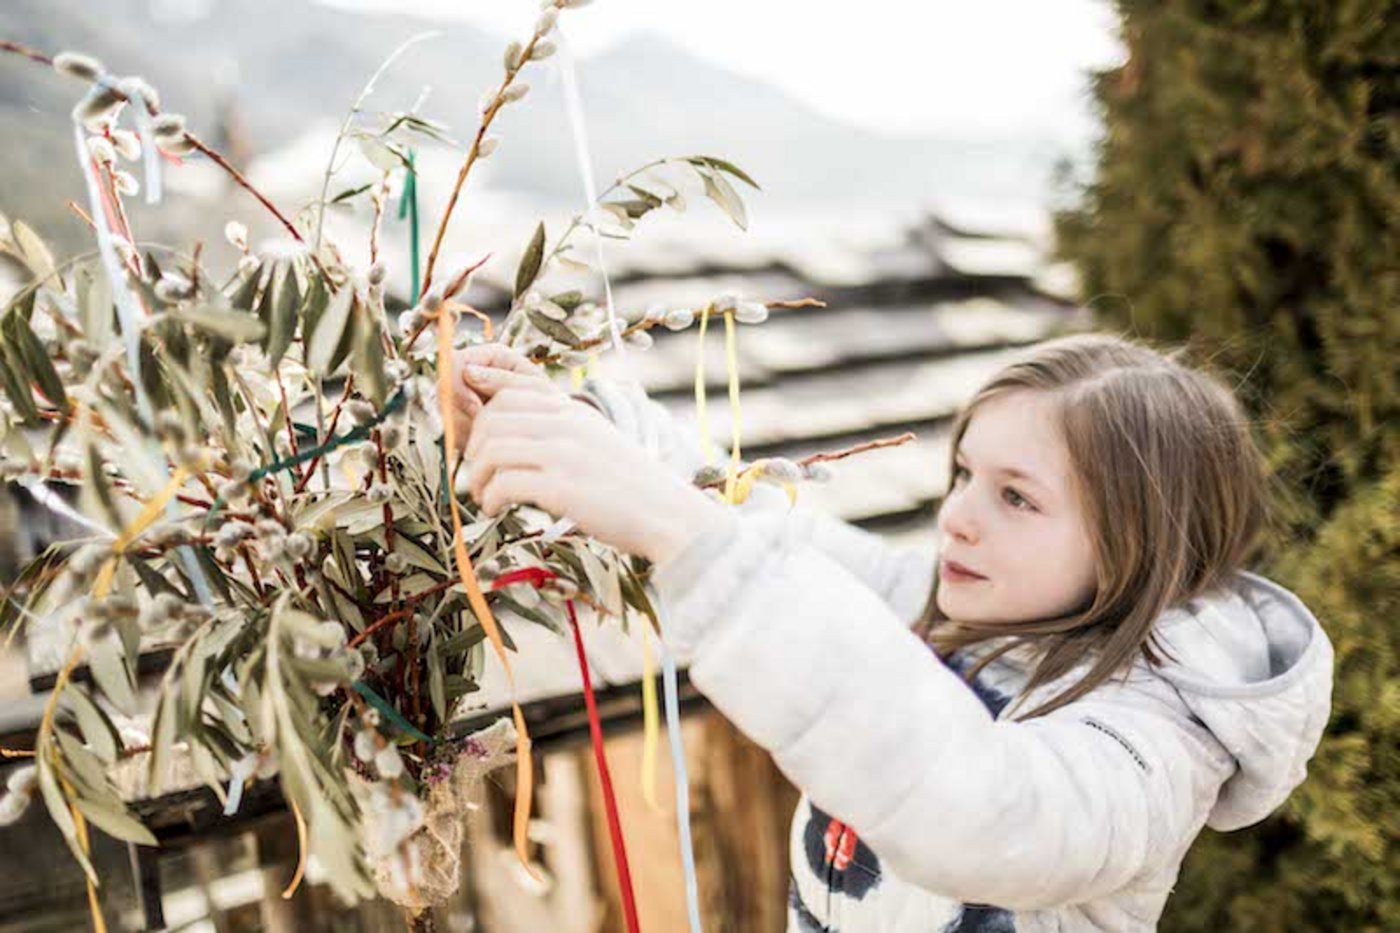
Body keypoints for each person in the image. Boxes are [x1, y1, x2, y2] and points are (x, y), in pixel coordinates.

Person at [448, 331, 1333, 932]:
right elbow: (761, 531)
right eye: (963, 474)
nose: (957, 516)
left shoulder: (1153, 748)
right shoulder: (946, 607)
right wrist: (578, 430)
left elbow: (984, 812)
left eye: (1015, 496)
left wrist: (681, 534)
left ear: (1141, 542)